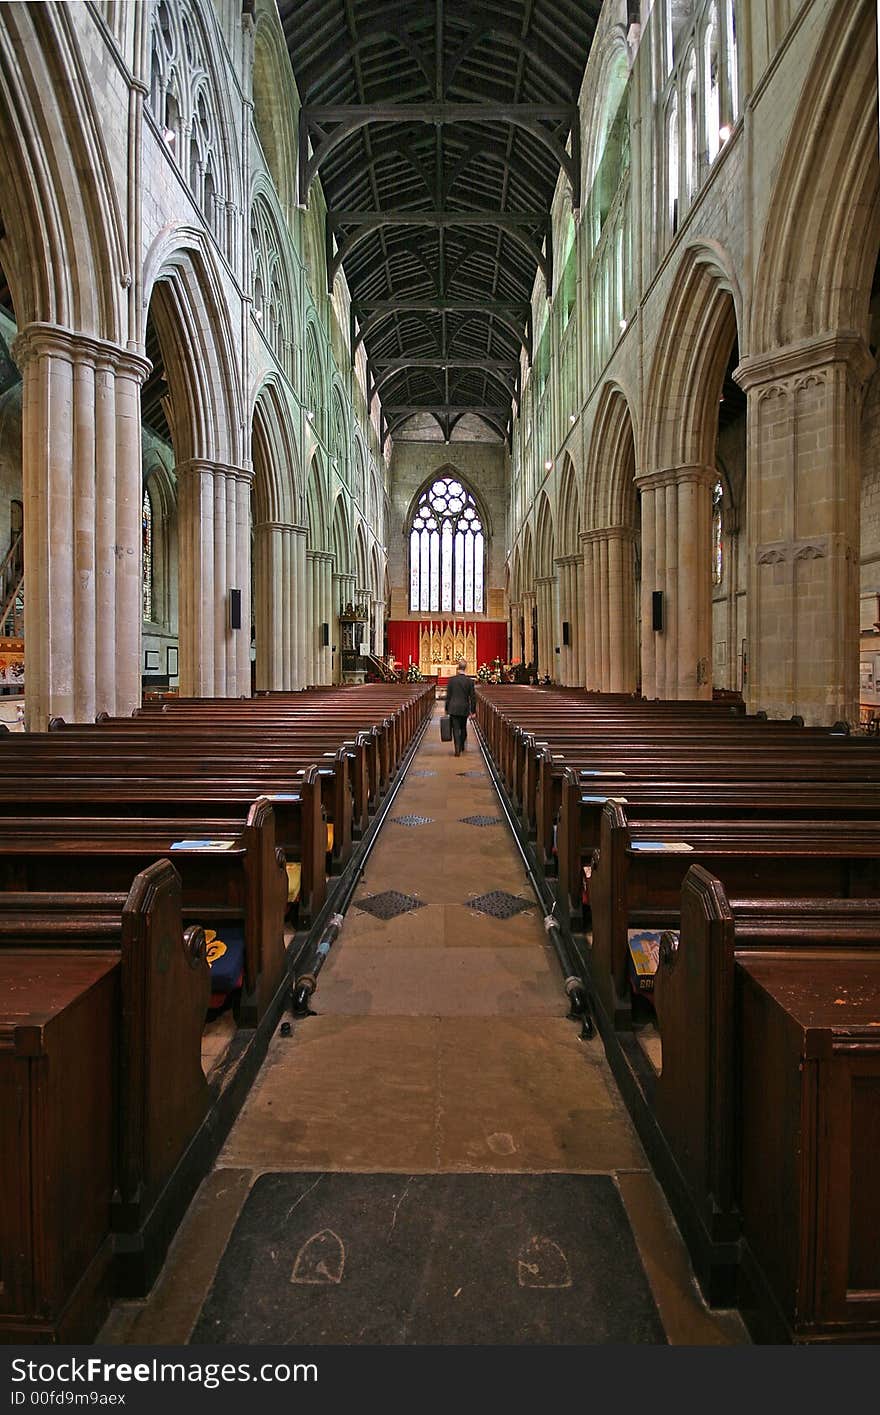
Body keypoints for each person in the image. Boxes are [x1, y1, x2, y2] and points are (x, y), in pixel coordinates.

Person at [444, 656, 476, 757]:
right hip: (464, 708)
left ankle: (457, 748)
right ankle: (461, 745)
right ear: (465, 668)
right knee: (463, 728)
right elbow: (472, 697)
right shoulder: (469, 681)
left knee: (455, 728)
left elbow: (448, 696)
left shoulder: (451, 680)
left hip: (453, 707)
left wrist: (446, 708)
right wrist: (473, 711)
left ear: (458, 668)